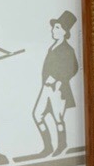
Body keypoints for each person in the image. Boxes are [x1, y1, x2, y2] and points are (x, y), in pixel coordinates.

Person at [32, 10, 79, 156]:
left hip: (58, 89)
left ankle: (62, 144)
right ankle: (48, 147)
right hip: (46, 88)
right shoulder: (52, 47)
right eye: (54, 27)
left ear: (65, 31)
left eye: (57, 27)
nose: (53, 30)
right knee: (37, 115)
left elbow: (74, 68)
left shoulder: (68, 49)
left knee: (58, 118)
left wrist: (58, 80)